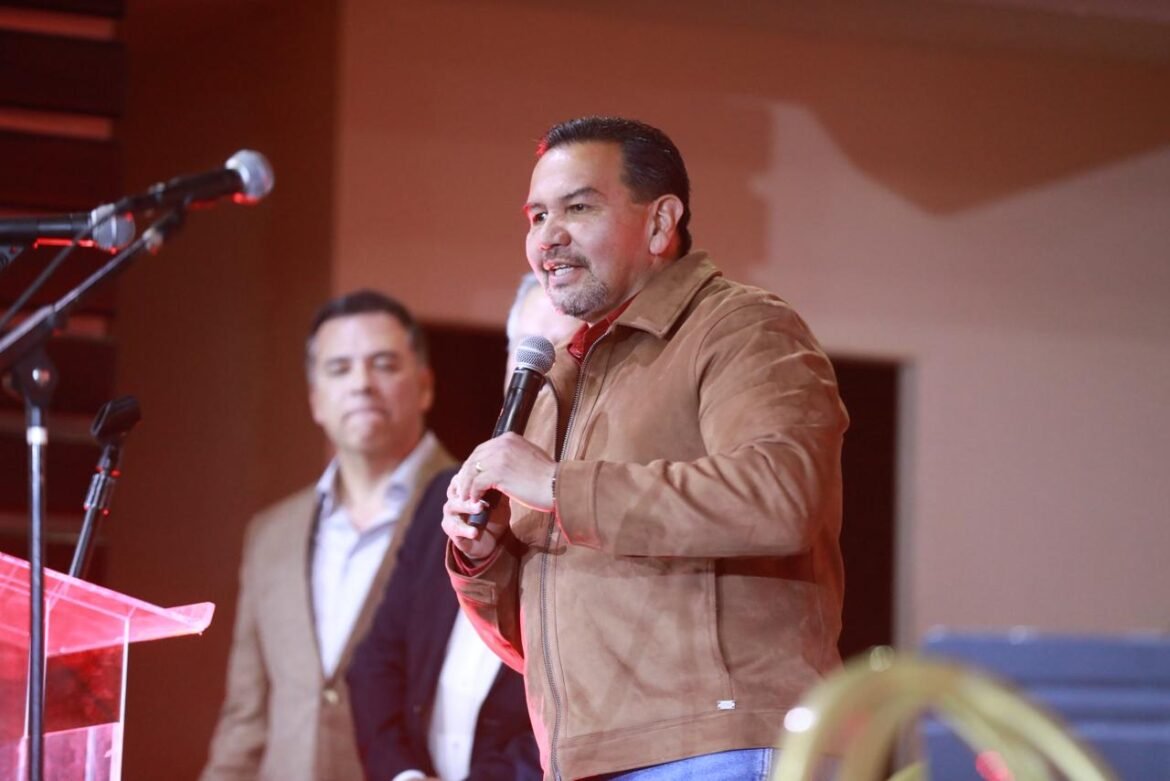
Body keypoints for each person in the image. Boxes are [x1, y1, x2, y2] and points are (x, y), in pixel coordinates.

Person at [441, 117, 849, 781]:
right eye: (537, 215)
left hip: (719, 749)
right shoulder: (560, 379)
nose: (549, 236)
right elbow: (537, 641)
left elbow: (779, 498)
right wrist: (483, 555)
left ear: (661, 224)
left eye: (578, 208)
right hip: (585, 757)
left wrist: (557, 487)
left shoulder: (742, 327)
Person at [201, 290, 456, 781]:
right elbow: (245, 717)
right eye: (339, 369)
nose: (361, 384)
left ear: (425, 386)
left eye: (384, 364)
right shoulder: (272, 534)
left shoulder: (476, 512)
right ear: (315, 399)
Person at [346, 275, 577, 781]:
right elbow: (377, 662)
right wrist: (404, 775)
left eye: (564, 350)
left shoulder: (590, 511)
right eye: (530, 350)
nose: (540, 373)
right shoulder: (447, 494)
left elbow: (578, 706)